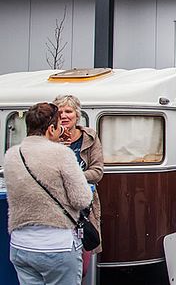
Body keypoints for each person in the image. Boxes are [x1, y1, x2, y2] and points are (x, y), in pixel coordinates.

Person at [4, 103, 93, 284]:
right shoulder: (62, 154)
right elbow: (82, 199)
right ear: (52, 128)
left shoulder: (11, 155)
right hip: (57, 245)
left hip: (21, 245)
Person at [52, 94, 104, 265]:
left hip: (83, 207)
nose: (64, 116)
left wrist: (71, 176)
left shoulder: (89, 137)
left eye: (69, 111)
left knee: (83, 260)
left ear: (77, 115)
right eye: (60, 112)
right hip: (54, 206)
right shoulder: (49, 139)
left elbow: (97, 172)